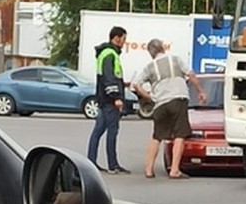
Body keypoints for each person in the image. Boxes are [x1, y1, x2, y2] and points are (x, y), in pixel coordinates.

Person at [132, 38, 206, 179]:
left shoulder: (150, 66)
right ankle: (175, 170)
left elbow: (136, 84)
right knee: (180, 134)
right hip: (178, 99)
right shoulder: (176, 59)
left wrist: (148, 96)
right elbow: (191, 74)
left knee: (157, 136)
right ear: (163, 48)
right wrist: (200, 91)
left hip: (160, 103)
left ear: (151, 53)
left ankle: (149, 169)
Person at [87, 26, 130, 174]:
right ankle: (113, 165)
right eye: (124, 39)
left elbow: (109, 77)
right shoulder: (110, 54)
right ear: (117, 38)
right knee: (112, 131)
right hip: (109, 101)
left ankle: (91, 162)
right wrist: (116, 97)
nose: (124, 42)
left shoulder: (105, 53)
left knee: (98, 131)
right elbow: (109, 78)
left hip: (103, 99)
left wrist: (123, 84)